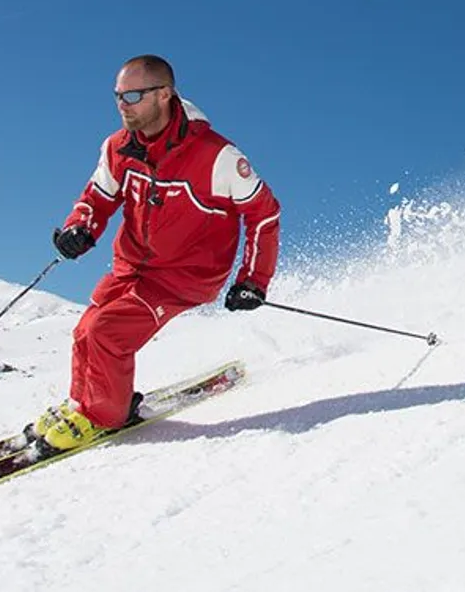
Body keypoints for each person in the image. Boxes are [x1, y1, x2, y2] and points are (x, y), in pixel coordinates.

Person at [33, 54, 281, 451]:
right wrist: (81, 226)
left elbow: (264, 215)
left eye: (132, 95)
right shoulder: (118, 148)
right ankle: (83, 403)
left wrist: (253, 280)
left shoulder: (217, 156)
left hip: (184, 277)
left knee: (106, 333)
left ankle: (102, 416)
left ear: (164, 94)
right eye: (117, 96)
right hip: (131, 266)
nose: (122, 105)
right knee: (85, 330)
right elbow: (98, 196)